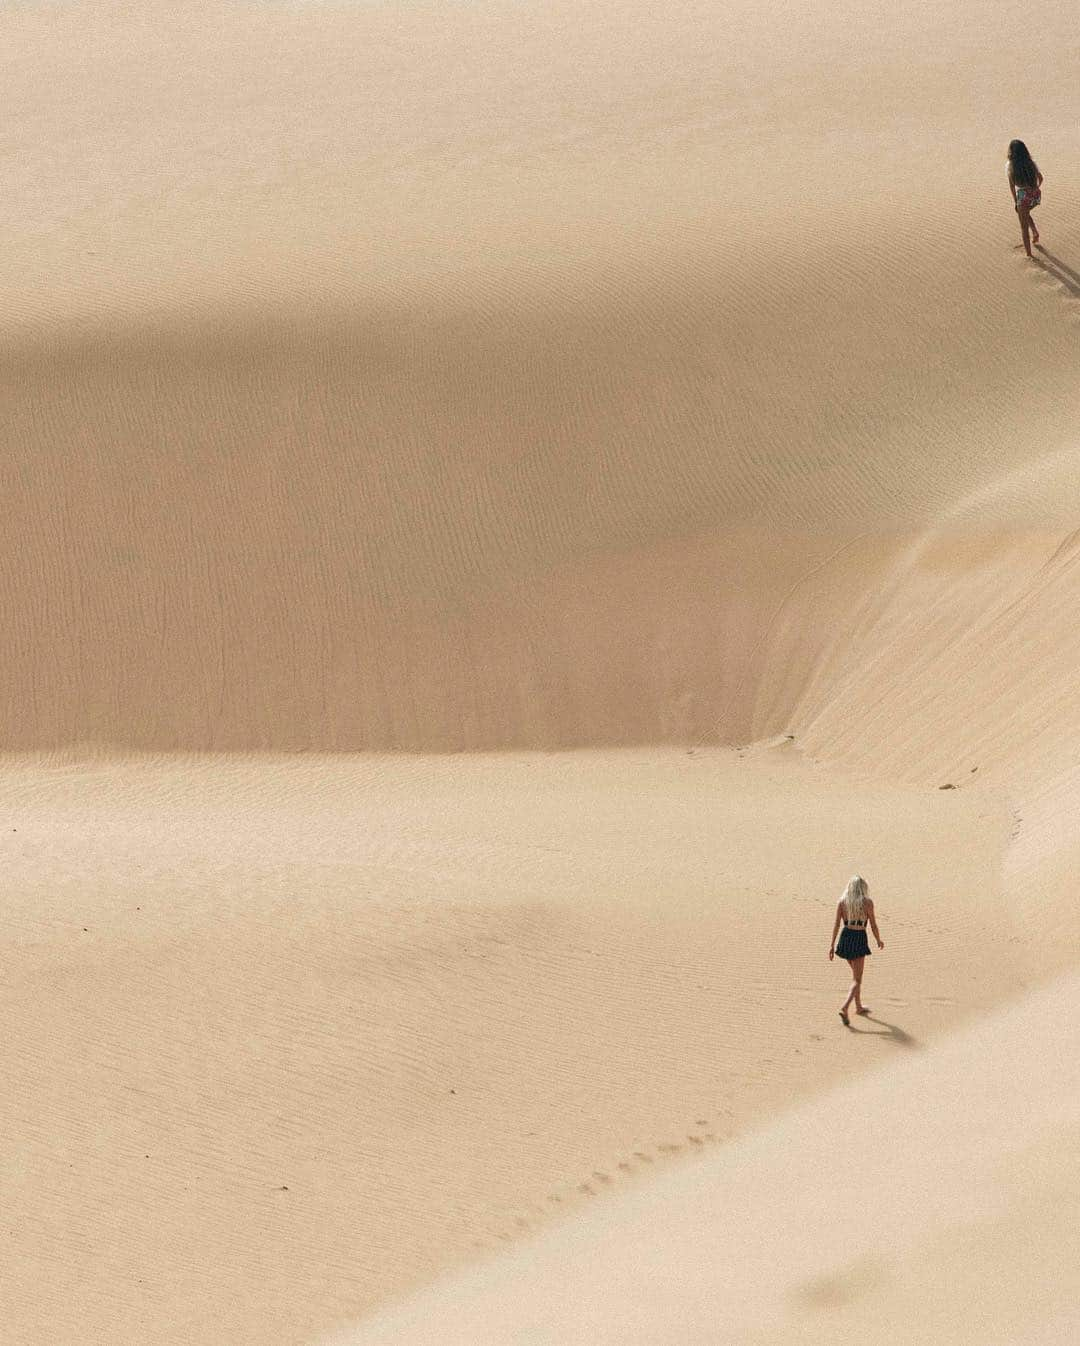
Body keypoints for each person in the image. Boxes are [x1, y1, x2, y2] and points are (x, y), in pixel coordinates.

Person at [828, 875, 884, 1025]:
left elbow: (836, 925)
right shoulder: (867, 903)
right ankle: (845, 1007)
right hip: (859, 937)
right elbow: (873, 924)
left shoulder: (842, 902)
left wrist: (832, 945)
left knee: (855, 976)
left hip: (845, 937)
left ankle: (858, 1007)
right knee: (857, 979)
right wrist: (878, 939)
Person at [1007, 139, 1043, 259]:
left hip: (1023, 196)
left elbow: (1012, 187)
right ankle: (1034, 231)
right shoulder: (1031, 163)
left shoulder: (1010, 166)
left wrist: (1016, 202)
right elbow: (1041, 178)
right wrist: (1035, 188)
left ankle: (1029, 254)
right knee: (1025, 213)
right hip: (1035, 194)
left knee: (1023, 227)